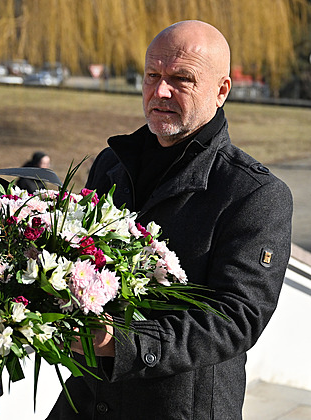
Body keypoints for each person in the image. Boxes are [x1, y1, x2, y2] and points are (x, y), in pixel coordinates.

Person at [47, 20, 293, 419]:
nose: (160, 91)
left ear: (222, 90)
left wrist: (123, 343)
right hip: (86, 401)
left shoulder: (255, 194)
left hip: (180, 409)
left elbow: (237, 318)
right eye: (152, 75)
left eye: (181, 78)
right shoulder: (112, 163)